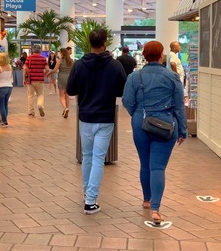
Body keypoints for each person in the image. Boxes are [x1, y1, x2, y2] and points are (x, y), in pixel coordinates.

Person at [122, 41, 186, 225]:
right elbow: (179, 106)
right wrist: (182, 130)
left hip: (141, 123)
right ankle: (156, 209)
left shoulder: (135, 77)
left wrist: (137, 113)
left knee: (145, 163)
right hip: (165, 124)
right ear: (161, 55)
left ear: (144, 55)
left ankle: (147, 200)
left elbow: (127, 100)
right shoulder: (172, 77)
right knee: (157, 167)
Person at [66, 29, 127, 214]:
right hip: (105, 117)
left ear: (89, 43)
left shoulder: (79, 65)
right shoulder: (115, 66)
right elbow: (120, 91)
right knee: (98, 158)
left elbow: (70, 89)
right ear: (105, 43)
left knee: (87, 156)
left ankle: (87, 194)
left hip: (85, 116)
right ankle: (91, 200)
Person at [24, 45, 48, 117]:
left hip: (31, 80)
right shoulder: (43, 59)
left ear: (32, 50)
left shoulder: (29, 58)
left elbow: (25, 67)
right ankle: (40, 105)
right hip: (40, 80)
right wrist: (44, 74)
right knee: (40, 94)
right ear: (40, 51)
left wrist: (27, 75)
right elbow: (47, 69)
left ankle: (31, 112)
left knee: (30, 96)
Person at [0, 52, 14, 127]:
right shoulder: (10, 67)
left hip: (0, 87)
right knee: (5, 104)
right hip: (9, 87)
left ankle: (4, 122)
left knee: (1, 105)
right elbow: (11, 77)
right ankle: (4, 120)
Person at [52, 48, 74, 118]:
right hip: (69, 78)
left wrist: (49, 73)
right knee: (67, 95)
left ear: (62, 53)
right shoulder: (71, 61)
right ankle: (66, 109)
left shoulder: (60, 60)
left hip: (62, 78)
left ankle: (65, 108)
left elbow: (55, 70)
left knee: (61, 96)